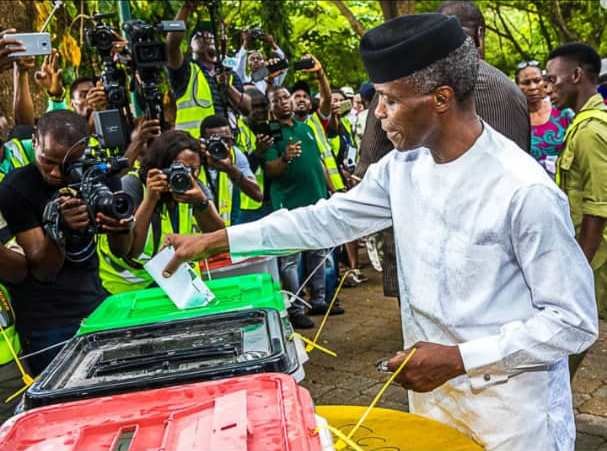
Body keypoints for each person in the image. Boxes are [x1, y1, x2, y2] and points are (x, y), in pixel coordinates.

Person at [162, 14, 598, 450]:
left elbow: (574, 322)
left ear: (440, 98)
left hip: (511, 415)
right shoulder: (403, 167)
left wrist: (458, 359)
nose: (379, 112)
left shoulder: (523, 190)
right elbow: (325, 219)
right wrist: (218, 240)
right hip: (434, 400)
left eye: (390, 99)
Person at [356, 0, 533, 302]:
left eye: (389, 102)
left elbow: (369, 161)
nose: (381, 112)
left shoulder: (404, 88)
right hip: (498, 268)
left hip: (430, 258)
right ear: (480, 35)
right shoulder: (510, 90)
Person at [0, 110, 133, 375]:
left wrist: (122, 226)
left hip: (97, 305)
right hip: (46, 323)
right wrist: (60, 230)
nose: (54, 172)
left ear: (83, 150)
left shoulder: (98, 175)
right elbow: (42, 270)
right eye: (47, 161)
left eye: (67, 163)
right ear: (35, 141)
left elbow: (122, 250)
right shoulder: (17, 187)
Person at [98, 130, 225, 295]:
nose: (186, 176)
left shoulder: (194, 186)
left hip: (168, 280)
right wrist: (150, 199)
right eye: (179, 169)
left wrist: (201, 202)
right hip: (124, 287)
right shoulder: (132, 185)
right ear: (159, 166)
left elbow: (219, 237)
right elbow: (133, 251)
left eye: (194, 169)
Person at [546, 43, 607, 376]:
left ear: (576, 75)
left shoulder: (590, 132)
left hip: (596, 258)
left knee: (571, 335)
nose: (548, 88)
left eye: (553, 80)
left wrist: (578, 269)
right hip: (591, 255)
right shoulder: (581, 125)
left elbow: (598, 208)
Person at [263, 86, 342, 329]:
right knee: (290, 261)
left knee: (319, 252)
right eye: (276, 100)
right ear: (271, 106)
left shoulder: (306, 129)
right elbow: (270, 170)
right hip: (288, 207)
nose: (283, 102)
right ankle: (295, 308)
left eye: (285, 97)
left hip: (317, 201)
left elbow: (319, 162)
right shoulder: (270, 135)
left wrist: (332, 191)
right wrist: (284, 157)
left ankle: (319, 299)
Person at [167, 2, 250, 138]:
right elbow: (171, 45)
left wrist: (227, 87)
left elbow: (247, 109)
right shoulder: (186, 70)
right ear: (190, 46)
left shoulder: (228, 73)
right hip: (194, 145)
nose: (207, 36)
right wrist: (186, 7)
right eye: (199, 35)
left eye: (211, 35)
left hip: (229, 144)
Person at [199, 114, 262, 226]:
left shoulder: (236, 154)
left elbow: (257, 195)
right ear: (203, 141)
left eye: (227, 140)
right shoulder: (193, 157)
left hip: (226, 229)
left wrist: (230, 169)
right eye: (216, 141)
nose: (223, 145)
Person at [516, 60, 573, 178]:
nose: (532, 87)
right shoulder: (514, 117)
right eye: (526, 83)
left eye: (537, 81)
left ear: (545, 82)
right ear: (517, 86)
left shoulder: (563, 112)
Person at [234, 87, 275, 223]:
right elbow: (238, 172)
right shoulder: (238, 131)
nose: (260, 110)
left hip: (271, 200)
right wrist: (258, 152)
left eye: (263, 105)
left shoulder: (271, 128)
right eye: (255, 106)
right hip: (248, 205)